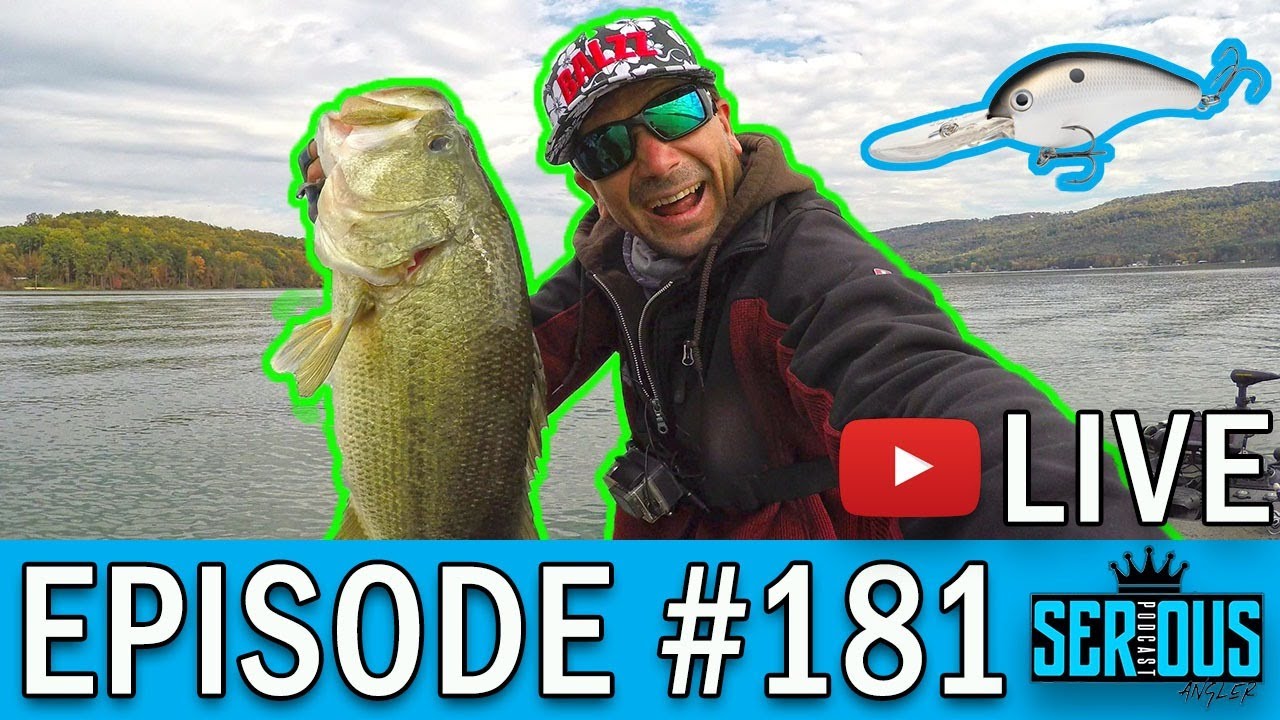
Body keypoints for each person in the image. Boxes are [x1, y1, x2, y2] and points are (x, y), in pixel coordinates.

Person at [300, 14, 1165, 540]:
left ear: (720, 115)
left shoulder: (809, 269)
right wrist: (348, 211)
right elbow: (480, 367)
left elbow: (933, 393)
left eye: (673, 113)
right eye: (607, 146)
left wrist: (1082, 553)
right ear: (590, 184)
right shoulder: (614, 264)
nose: (656, 160)